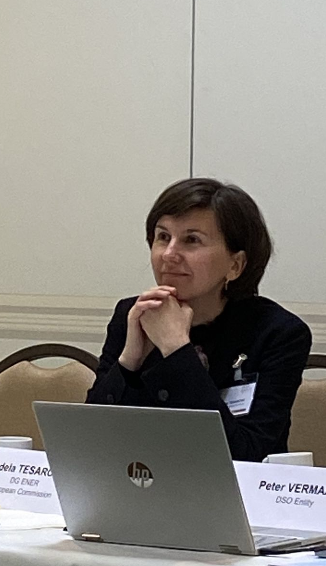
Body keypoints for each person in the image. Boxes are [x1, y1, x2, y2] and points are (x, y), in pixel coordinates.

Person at [87, 177, 311, 461]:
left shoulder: (278, 333)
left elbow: (247, 454)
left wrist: (177, 350)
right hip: (142, 481)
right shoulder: (133, 314)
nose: (169, 254)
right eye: (163, 237)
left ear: (235, 265)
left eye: (191, 240)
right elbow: (89, 443)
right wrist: (129, 361)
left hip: (239, 487)